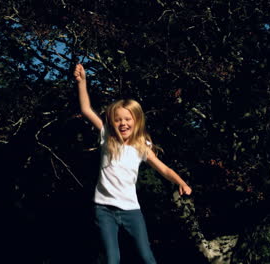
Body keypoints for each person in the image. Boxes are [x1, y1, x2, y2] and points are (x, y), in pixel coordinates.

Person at [74, 63, 192, 264]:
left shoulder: (141, 147)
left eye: (127, 119)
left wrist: (181, 182)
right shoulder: (106, 136)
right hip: (104, 209)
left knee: (146, 256)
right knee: (112, 259)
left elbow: (163, 168)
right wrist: (82, 82)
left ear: (136, 121)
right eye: (118, 120)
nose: (123, 124)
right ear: (112, 122)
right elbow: (86, 109)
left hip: (131, 210)